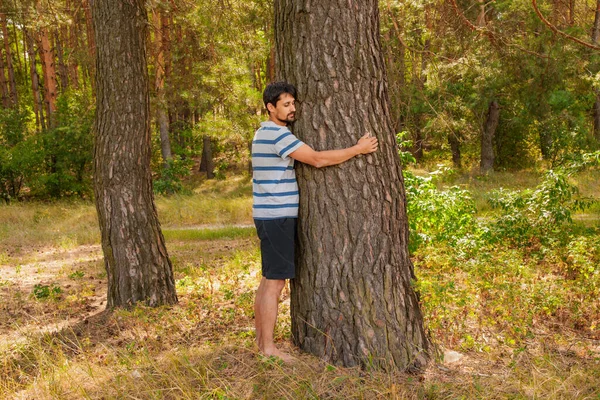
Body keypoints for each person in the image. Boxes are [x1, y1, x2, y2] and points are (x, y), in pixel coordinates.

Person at [252, 81, 378, 362]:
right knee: (275, 283)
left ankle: (262, 342)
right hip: (277, 215)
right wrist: (357, 149)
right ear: (271, 107)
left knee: (268, 281)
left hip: (269, 214)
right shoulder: (277, 135)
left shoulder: (264, 132)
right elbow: (318, 159)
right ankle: (269, 349)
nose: (293, 108)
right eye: (286, 105)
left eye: (293, 103)